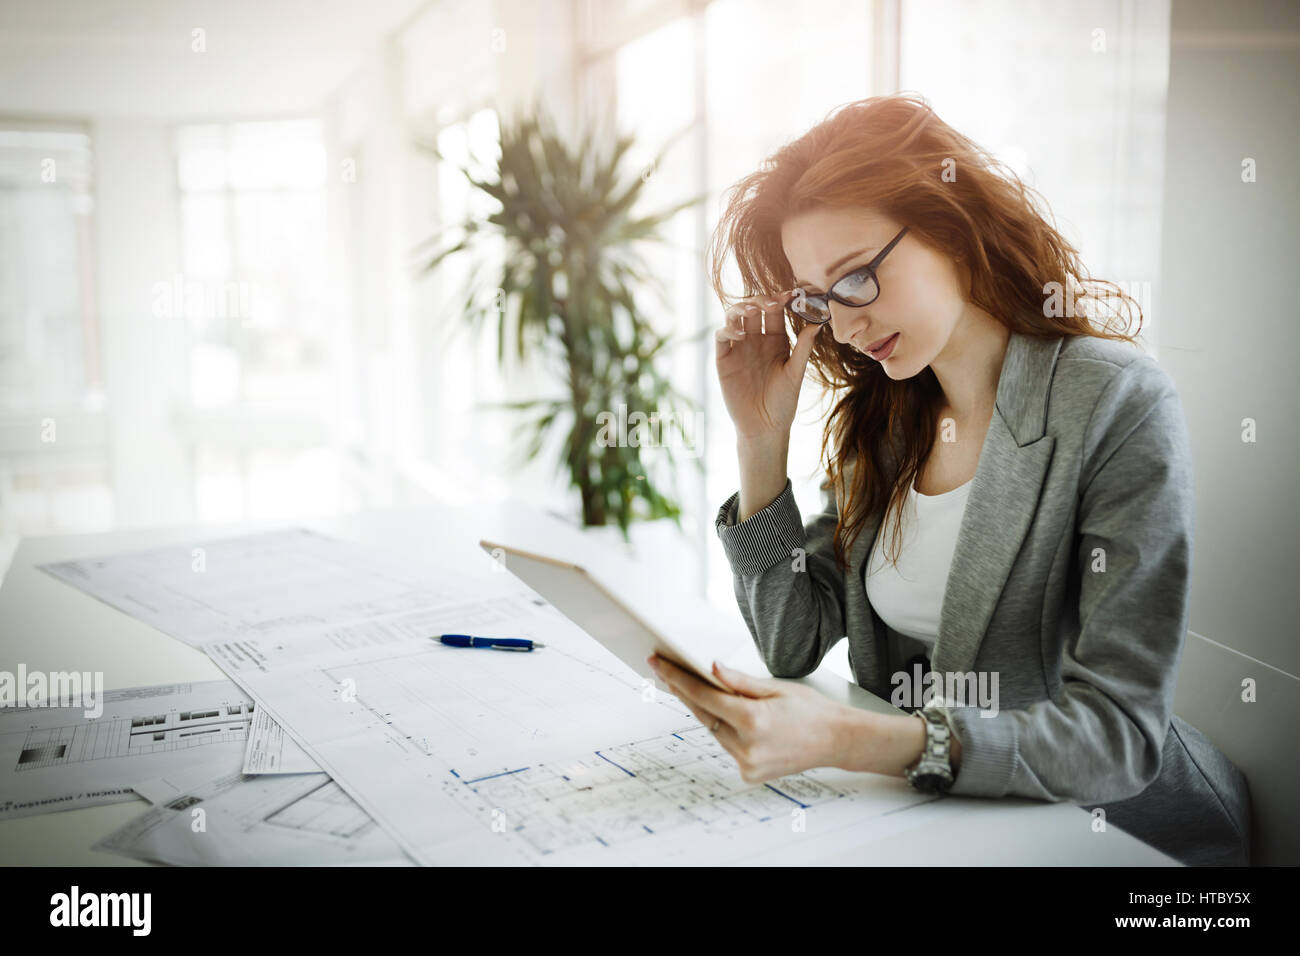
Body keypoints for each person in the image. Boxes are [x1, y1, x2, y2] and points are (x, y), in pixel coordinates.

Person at [646, 92, 1251, 867]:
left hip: (1124, 837)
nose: (845, 325)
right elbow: (791, 642)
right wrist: (760, 443)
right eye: (821, 300)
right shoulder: (889, 419)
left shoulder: (1115, 402)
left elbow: (1118, 738)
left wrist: (860, 740)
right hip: (954, 826)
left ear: (952, 228)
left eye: (858, 276)